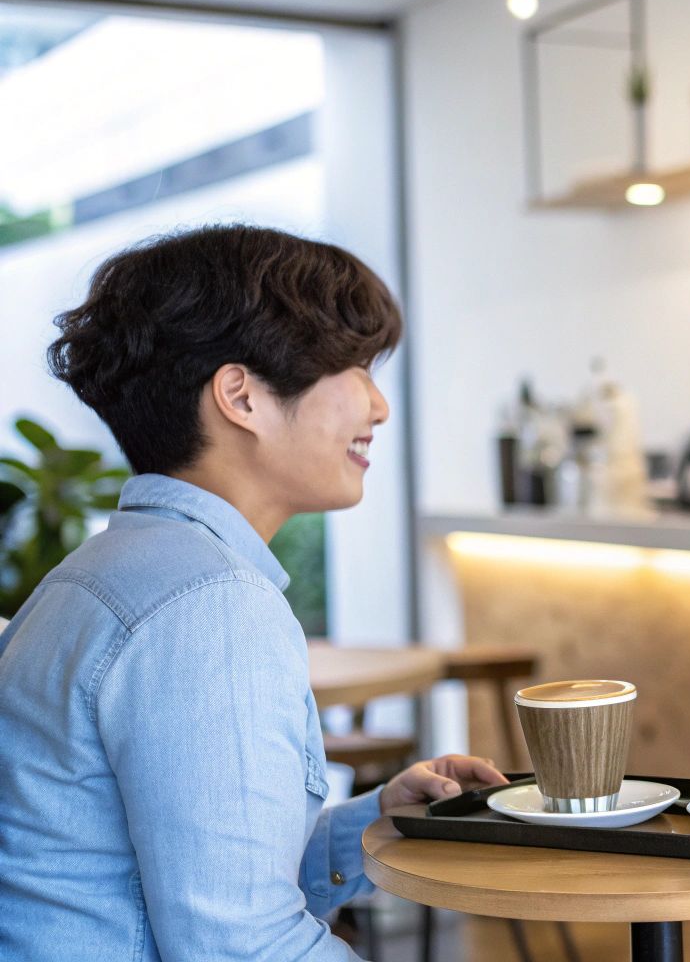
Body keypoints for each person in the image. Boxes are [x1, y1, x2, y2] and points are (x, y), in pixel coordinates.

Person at [0, 225, 508, 960]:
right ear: (241, 396)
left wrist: (373, 824)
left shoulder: (99, 575)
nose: (378, 406)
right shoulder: (207, 604)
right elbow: (238, 946)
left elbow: (180, 884)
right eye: (355, 368)